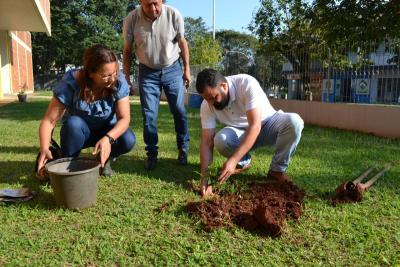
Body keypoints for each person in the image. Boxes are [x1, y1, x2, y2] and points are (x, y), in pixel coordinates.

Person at [196, 68, 304, 196]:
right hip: (240, 133)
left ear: (224, 86)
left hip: (267, 125)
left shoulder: (246, 83)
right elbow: (207, 141)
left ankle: (277, 170)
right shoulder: (207, 105)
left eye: (214, 98)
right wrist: (205, 178)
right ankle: (243, 162)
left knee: (294, 121)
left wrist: (233, 159)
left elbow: (255, 126)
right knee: (221, 139)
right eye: (207, 99)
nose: (211, 103)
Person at [37, 44, 136, 177]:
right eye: (105, 76)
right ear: (90, 73)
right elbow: (49, 121)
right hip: (79, 133)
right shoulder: (70, 84)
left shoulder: (118, 82)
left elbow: (125, 118)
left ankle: (105, 157)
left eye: (114, 73)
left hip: (107, 130)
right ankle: (69, 163)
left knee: (128, 139)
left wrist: (108, 138)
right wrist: (44, 148)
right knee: (74, 123)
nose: (112, 79)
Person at [123, 0, 190, 170]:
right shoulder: (131, 19)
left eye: (156, 4)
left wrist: (187, 69)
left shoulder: (174, 14)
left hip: (172, 69)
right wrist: (126, 76)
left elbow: (183, 43)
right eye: (147, 5)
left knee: (179, 111)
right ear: (140, 3)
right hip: (147, 72)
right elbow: (127, 50)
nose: (153, 9)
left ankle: (183, 149)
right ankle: (152, 154)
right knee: (149, 115)